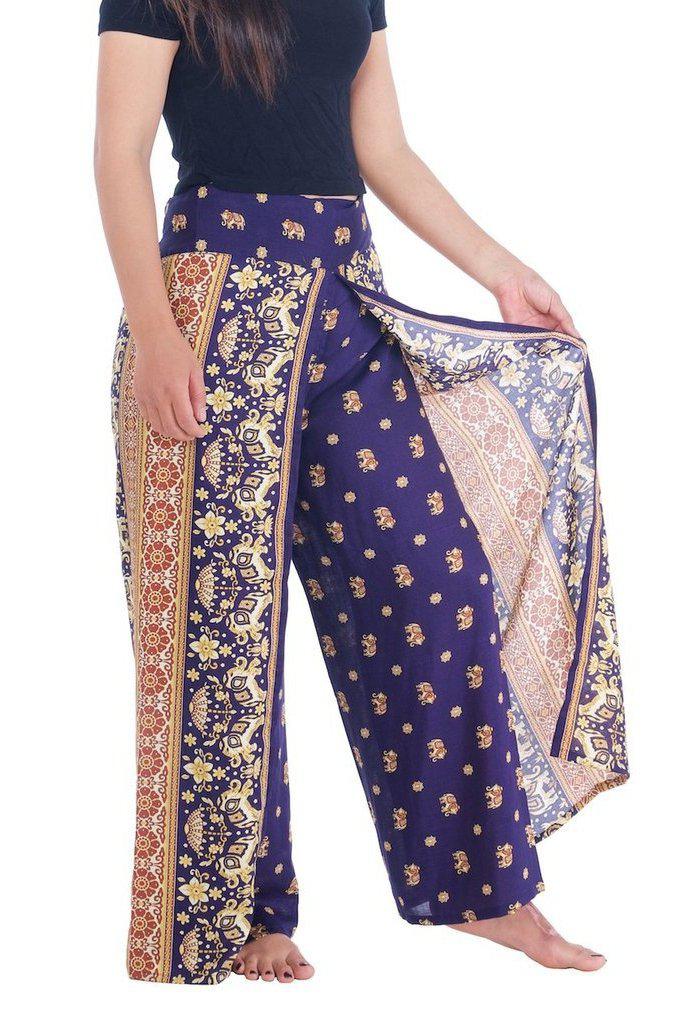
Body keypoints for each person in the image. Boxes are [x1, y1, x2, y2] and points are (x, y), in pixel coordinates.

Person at [96, 0, 627, 986]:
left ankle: (481, 890)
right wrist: (157, 333)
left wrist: (502, 271)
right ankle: (248, 914)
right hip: (214, 307)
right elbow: (118, 154)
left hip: (347, 292)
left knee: (439, 576)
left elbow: (380, 147)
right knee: (225, 629)